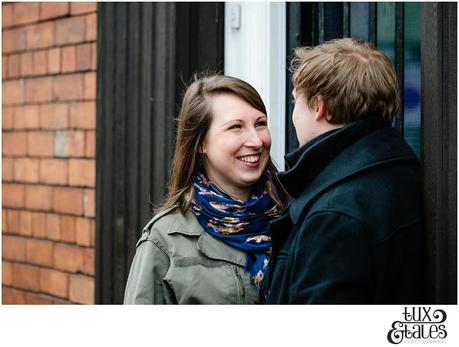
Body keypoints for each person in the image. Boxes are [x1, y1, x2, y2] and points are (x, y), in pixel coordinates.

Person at [266, 38, 423, 304]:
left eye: (296, 102)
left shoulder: (334, 212)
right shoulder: (396, 168)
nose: (294, 115)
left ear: (319, 107)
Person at [124, 74, 288, 304]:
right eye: (236, 127)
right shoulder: (165, 241)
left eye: (260, 124)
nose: (256, 140)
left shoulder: (292, 219)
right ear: (201, 143)